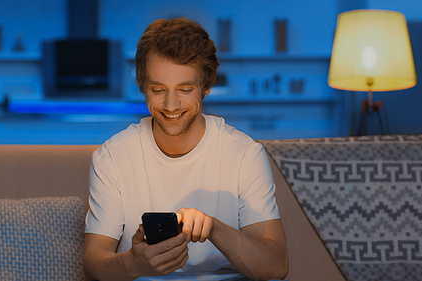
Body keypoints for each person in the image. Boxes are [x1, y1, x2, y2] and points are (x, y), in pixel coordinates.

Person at [83, 17, 289, 281]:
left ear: (205, 86)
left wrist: (215, 229)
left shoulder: (245, 155)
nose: (171, 105)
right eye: (158, 89)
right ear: (143, 85)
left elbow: (276, 266)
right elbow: (93, 262)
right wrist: (132, 265)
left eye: (184, 89)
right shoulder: (112, 157)